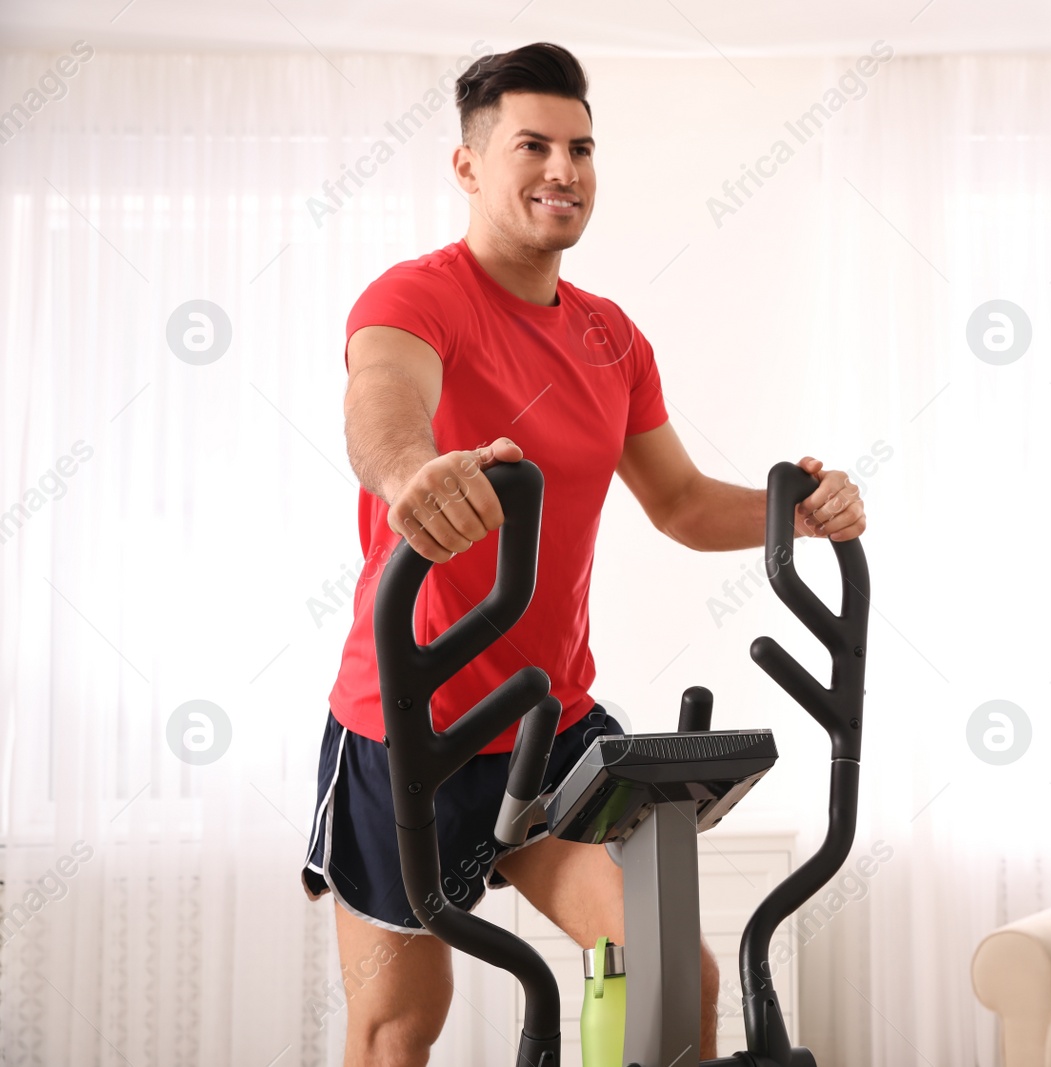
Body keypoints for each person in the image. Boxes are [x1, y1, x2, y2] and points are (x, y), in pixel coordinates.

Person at [300, 41, 867, 1066]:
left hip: (547, 721)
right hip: (408, 727)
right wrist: (410, 475)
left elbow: (685, 503)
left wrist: (801, 513)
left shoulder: (612, 337)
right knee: (397, 1025)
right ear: (469, 165)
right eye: (533, 145)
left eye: (581, 148)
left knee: (669, 973)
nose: (562, 169)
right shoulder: (415, 297)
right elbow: (381, 400)